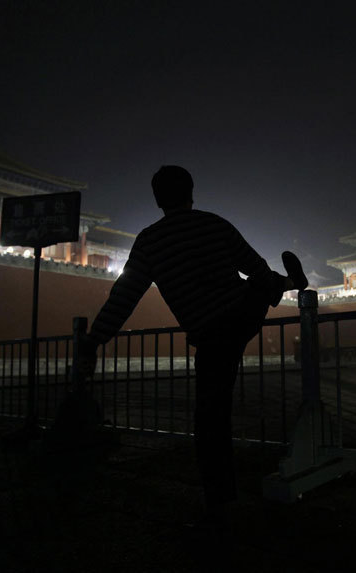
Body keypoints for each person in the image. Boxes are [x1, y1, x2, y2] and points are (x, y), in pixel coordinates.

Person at [78, 165, 307, 525]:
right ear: (192, 193)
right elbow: (254, 266)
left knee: (211, 418)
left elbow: (124, 295)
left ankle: (220, 500)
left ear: (157, 199)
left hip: (211, 331)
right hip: (242, 310)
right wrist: (276, 285)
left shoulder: (149, 242)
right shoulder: (214, 223)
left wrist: (95, 338)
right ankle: (292, 282)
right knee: (260, 284)